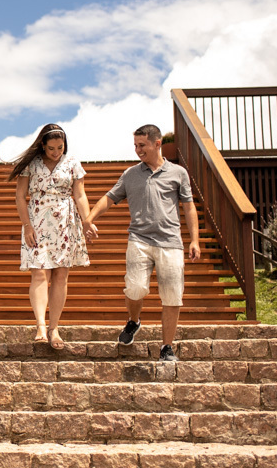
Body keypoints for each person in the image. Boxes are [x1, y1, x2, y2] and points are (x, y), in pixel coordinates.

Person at [84, 124, 200, 362]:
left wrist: (195, 240)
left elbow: (189, 207)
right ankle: (134, 321)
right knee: (135, 288)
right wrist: (89, 219)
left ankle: (167, 347)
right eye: (135, 145)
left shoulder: (178, 173)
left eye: (142, 145)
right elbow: (109, 198)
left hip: (170, 242)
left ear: (157, 144)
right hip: (139, 239)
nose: (137, 150)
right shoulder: (130, 174)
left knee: (172, 296)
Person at [10, 124, 93, 350]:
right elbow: (20, 196)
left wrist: (87, 221)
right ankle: (40, 325)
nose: (56, 152)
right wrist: (26, 226)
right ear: (42, 146)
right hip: (37, 221)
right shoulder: (31, 165)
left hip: (66, 222)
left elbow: (80, 194)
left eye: (60, 147)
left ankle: (54, 327)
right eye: (51, 148)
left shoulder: (73, 163)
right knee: (39, 274)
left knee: (61, 275)